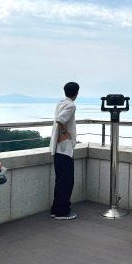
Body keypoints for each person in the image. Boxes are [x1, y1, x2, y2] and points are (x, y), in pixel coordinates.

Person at [49, 82, 79, 220]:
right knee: (66, 182)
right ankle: (62, 212)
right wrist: (65, 132)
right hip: (65, 149)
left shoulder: (61, 103)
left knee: (60, 181)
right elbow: (60, 120)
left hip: (57, 148)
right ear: (76, 93)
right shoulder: (71, 105)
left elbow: (59, 119)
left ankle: (55, 210)